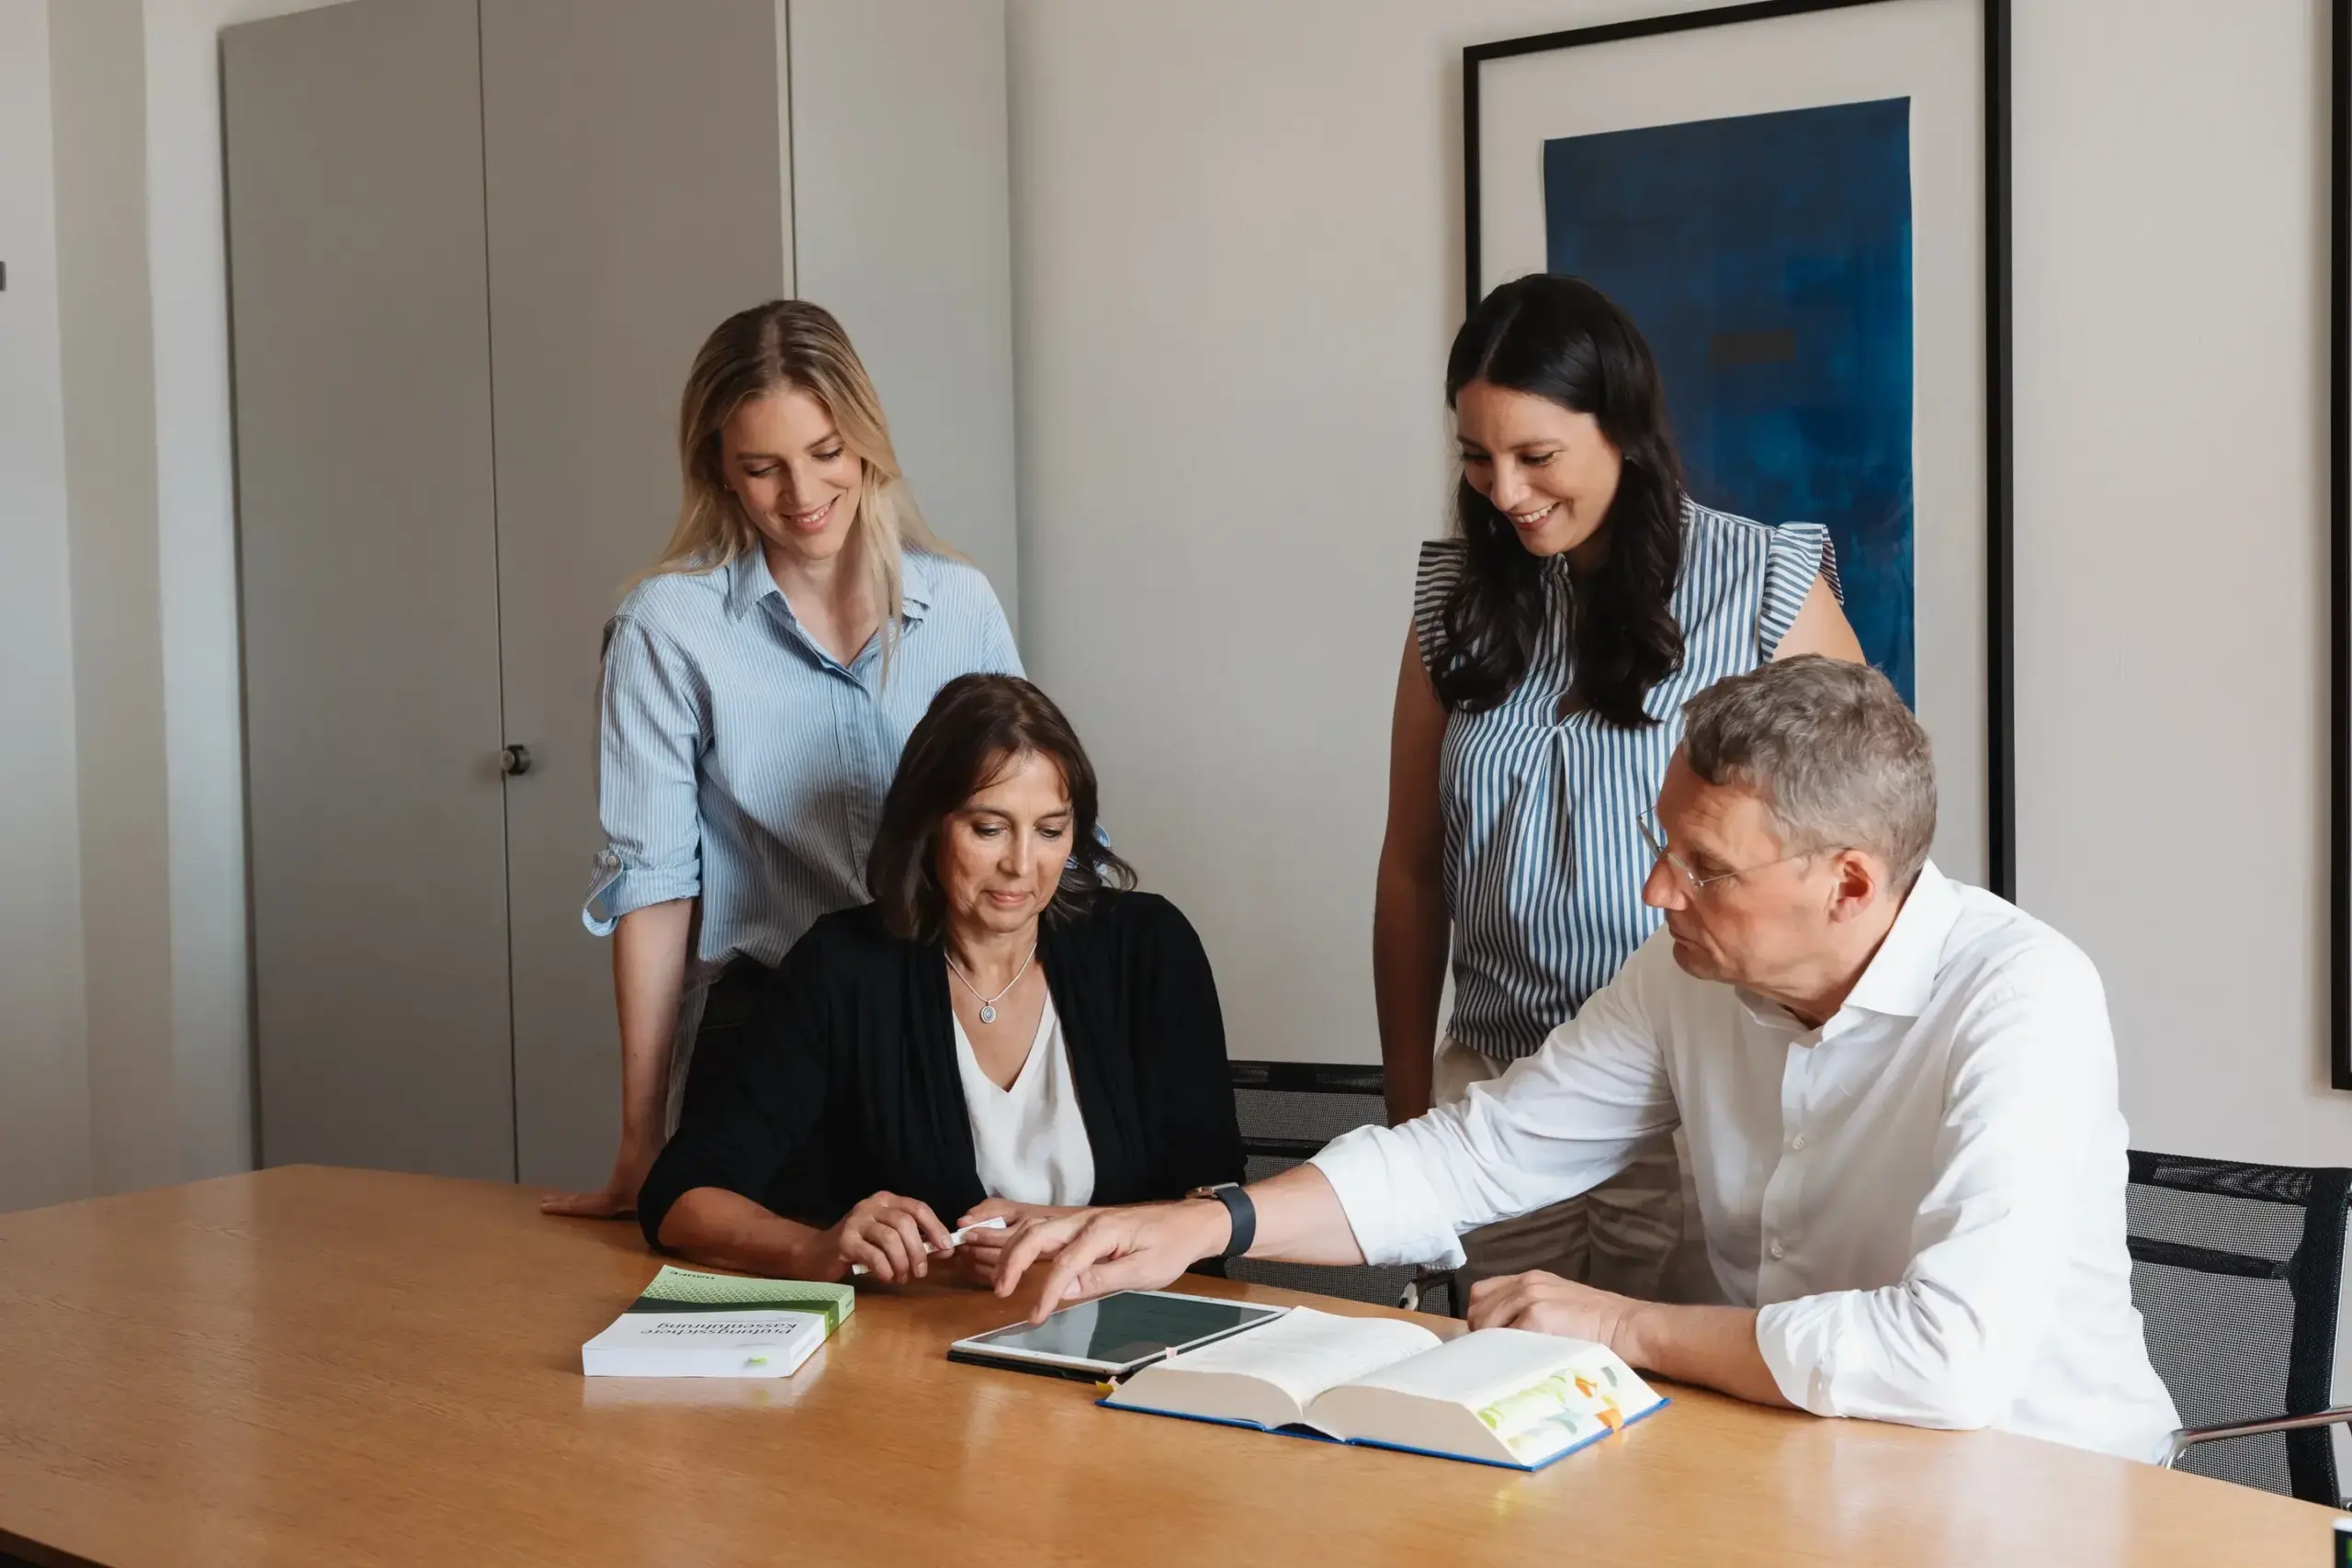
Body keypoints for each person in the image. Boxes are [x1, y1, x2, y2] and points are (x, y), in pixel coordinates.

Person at [997, 658, 2181, 1461]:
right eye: (1663, 844)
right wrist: (1205, 1226)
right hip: (1814, 1465)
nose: (1657, 889)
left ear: (1850, 884)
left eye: (1703, 867)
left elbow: (1950, 1364)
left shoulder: (2025, 998)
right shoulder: (1687, 973)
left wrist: (1623, 1328)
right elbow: (1480, 1153)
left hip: (2056, 1491)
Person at [1375, 273, 1864, 1301]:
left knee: (1696, 1433)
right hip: (1502, 1099)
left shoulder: (1762, 583)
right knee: (1494, 1421)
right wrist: (1409, 1100)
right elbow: (1412, 868)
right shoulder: (1455, 602)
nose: (1503, 491)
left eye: (1536, 456)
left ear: (1622, 429)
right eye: (1476, 458)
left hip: (1704, 1103)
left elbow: (1862, 859)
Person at [544, 300, 1024, 1220]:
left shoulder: (961, 607)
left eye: (825, 453)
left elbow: (1040, 834)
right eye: (761, 468)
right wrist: (641, 1141)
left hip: (951, 1016)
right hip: (770, 1035)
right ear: (718, 471)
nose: (800, 494)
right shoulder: (667, 627)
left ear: (867, 444)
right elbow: (653, 887)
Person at [636, 673, 1244, 1284]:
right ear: (929, 826)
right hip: (919, 1351)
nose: (1022, 865)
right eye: (988, 828)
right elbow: (680, 1196)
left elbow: (1215, 1207)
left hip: (1131, 1336)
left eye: (1052, 830)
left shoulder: (1149, 948)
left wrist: (1061, 1230)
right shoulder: (844, 967)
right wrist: (814, 1248)